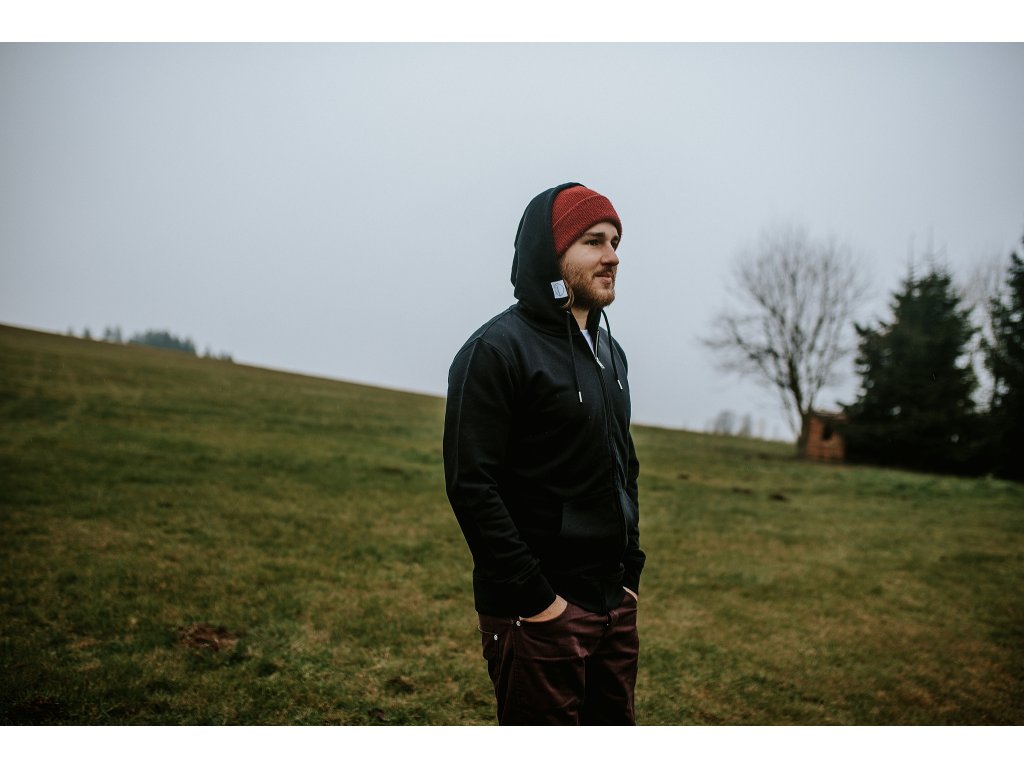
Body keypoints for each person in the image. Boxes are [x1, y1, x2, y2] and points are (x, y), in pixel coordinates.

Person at [443, 182, 645, 725]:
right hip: (538, 613)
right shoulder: (495, 351)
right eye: (593, 241)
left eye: (615, 242)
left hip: (612, 605)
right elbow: (472, 486)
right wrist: (537, 600)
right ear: (551, 253)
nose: (612, 256)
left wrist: (630, 574)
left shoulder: (610, 352)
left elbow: (625, 466)